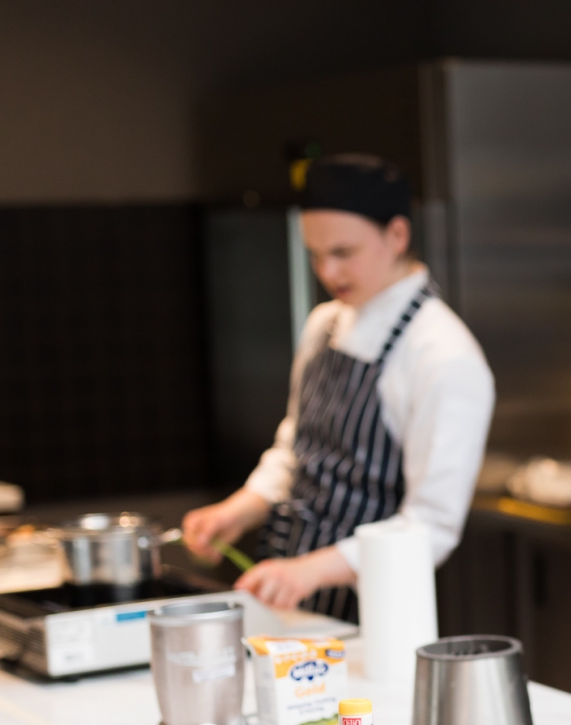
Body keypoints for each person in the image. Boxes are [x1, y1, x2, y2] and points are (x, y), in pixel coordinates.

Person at [183, 155, 493, 621]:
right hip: (285, 596)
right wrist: (239, 510)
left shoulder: (443, 355)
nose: (328, 272)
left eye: (344, 253)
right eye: (315, 254)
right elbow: (296, 450)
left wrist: (311, 571)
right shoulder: (324, 324)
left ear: (397, 235)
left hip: (371, 611)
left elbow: (431, 527)